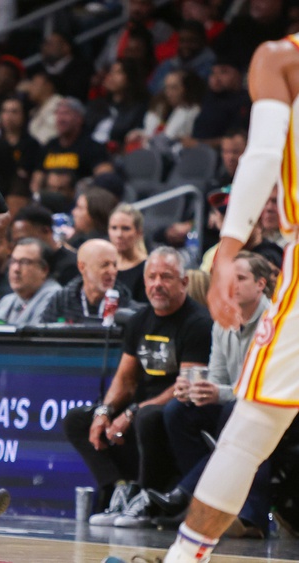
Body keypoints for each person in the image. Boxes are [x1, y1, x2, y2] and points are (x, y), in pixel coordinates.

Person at [162, 34, 299, 563]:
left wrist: (228, 250)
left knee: (252, 427)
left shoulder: (280, 57)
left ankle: (185, 556)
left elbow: (263, 153)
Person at [63, 247, 212, 524]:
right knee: (77, 420)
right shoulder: (138, 320)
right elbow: (125, 378)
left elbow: (185, 386)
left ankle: (147, 497)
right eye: (152, 277)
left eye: (166, 277)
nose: (157, 284)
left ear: (183, 282)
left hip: (173, 411)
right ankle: (120, 489)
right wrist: (104, 412)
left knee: (146, 416)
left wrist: (131, 412)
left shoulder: (198, 323)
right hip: (139, 409)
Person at [148, 251, 272, 536]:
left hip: (272, 407)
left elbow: (260, 388)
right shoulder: (222, 322)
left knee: (237, 412)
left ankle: (243, 516)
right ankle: (205, 502)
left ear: (260, 284)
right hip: (237, 402)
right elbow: (217, 377)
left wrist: (219, 393)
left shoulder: (273, 324)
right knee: (178, 410)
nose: (232, 285)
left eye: (240, 278)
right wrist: (197, 391)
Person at [41, 238, 131, 324]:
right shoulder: (61, 301)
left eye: (115, 265)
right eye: (104, 265)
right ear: (82, 267)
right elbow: (43, 336)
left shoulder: (126, 305)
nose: (112, 271)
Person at [0, 237, 61, 327]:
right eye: (13, 261)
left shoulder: (56, 299)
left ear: (44, 270)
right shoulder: (8, 301)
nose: (16, 269)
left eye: (25, 262)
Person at [11, 204, 79, 285]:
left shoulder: (71, 267)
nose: (20, 246)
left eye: (24, 239)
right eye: (16, 242)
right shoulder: (16, 266)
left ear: (46, 231)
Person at [110, 204, 148, 302]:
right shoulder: (104, 263)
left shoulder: (147, 268)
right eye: (114, 228)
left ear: (139, 232)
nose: (119, 235)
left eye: (126, 228)